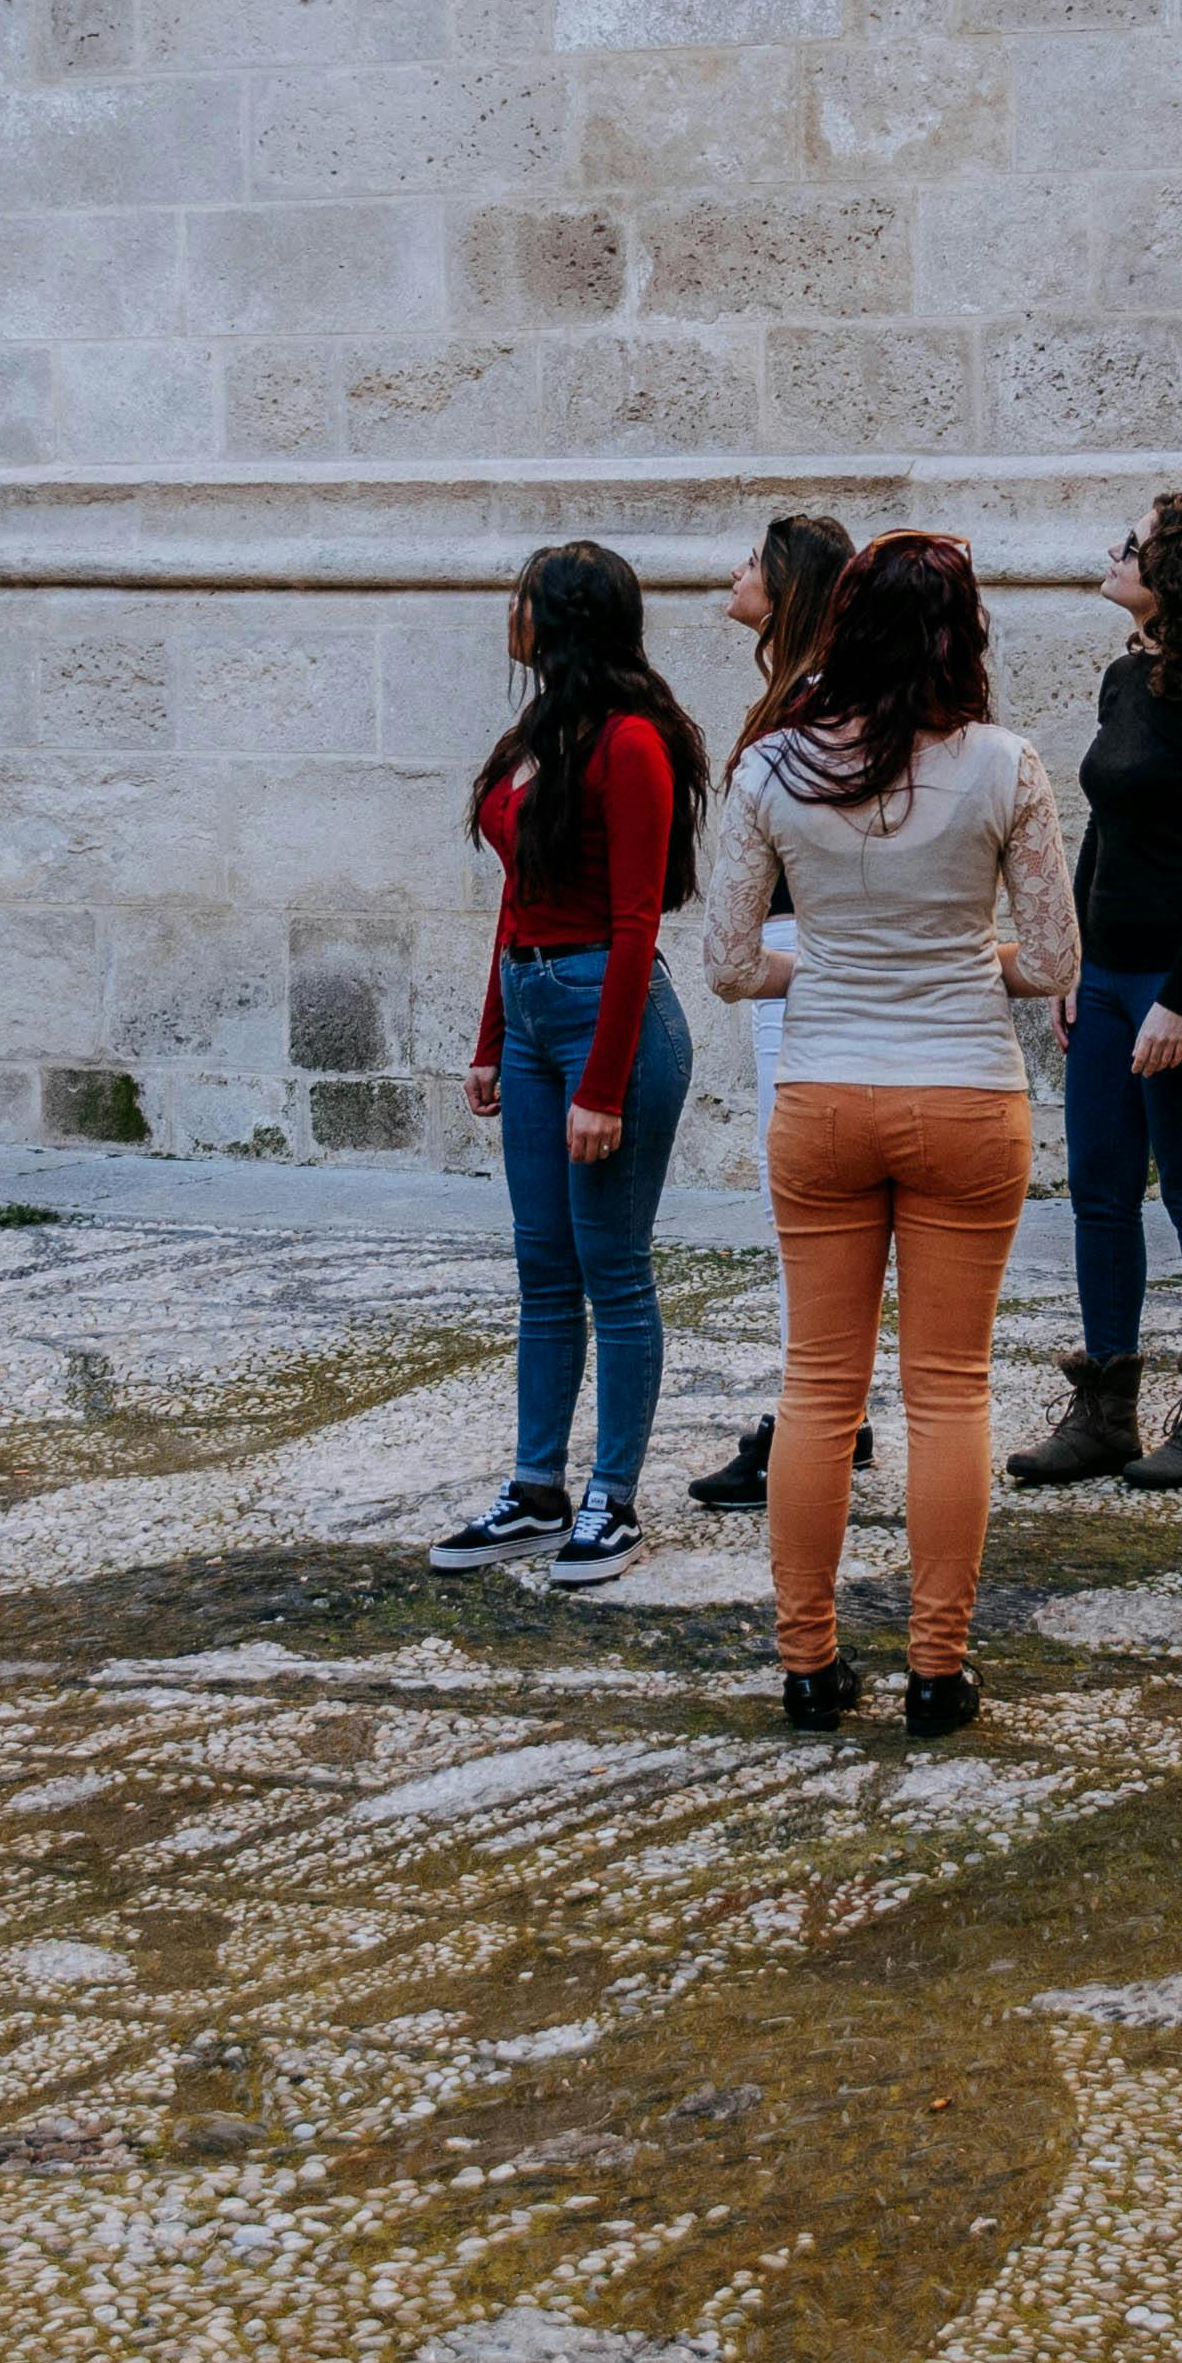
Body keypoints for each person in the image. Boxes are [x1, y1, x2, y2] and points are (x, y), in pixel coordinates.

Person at [703, 532, 1076, 1740]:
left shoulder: (769, 768)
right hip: (967, 1092)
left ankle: (808, 1665)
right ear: (961, 631)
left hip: (822, 1094)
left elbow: (727, 964)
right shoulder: (1007, 766)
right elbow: (1058, 961)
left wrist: (819, 971)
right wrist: (975, 962)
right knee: (950, 1389)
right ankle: (936, 1668)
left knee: (818, 1387)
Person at [431, 541, 710, 1592]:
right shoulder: (535, 735)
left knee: (613, 1266)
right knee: (542, 1266)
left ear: (561, 620)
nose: (511, 614)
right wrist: (493, 1036)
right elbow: (519, 896)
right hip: (540, 1000)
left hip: (611, 1012)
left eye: (525, 602)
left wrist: (600, 1084)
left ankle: (613, 1497)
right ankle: (537, 1486)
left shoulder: (631, 742)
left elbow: (638, 919)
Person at [1007, 495, 1182, 1493]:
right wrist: (1066, 962)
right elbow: (1103, 830)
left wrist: (1179, 999)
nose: (1115, 557)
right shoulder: (1127, 677)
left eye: (1136, 547)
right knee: (1101, 1190)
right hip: (1108, 974)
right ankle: (1105, 1408)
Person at [684, 512, 868, 1516]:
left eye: (751, 560)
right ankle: (835, 1409)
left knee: (799, 1203)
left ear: (789, 585)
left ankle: (815, 1416)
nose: (733, 571)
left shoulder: (814, 702)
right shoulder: (807, 692)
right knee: (797, 1201)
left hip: (799, 962)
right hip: (797, 956)